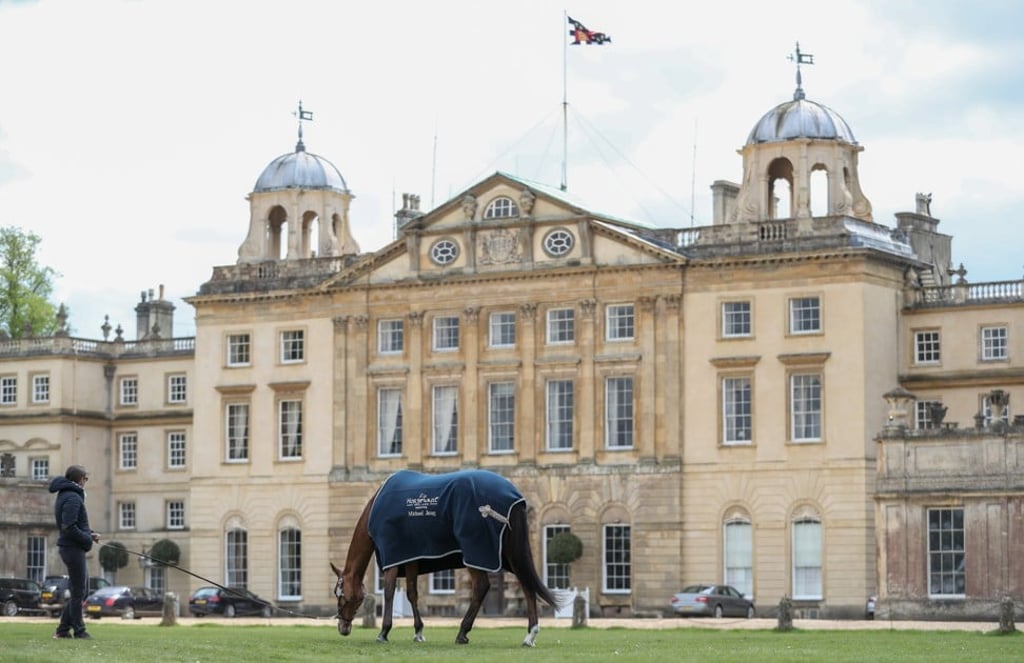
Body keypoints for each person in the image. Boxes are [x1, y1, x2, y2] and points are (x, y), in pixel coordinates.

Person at [49, 465, 100, 640]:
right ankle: (79, 630)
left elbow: (74, 524)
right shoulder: (72, 497)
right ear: (79, 479)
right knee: (79, 591)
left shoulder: (69, 495)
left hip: (73, 547)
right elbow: (68, 527)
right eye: (86, 478)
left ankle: (63, 630)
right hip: (72, 548)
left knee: (82, 590)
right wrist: (86, 539)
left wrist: (89, 534)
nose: (86, 482)